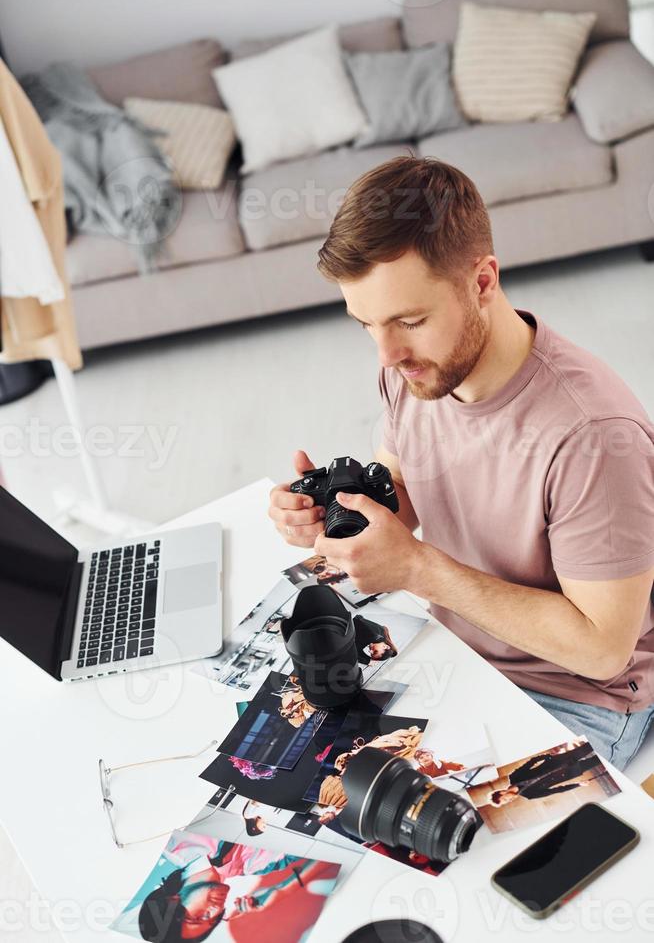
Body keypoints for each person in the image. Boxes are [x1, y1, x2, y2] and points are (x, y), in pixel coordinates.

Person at [268, 155, 654, 771]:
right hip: (458, 646)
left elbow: (603, 650)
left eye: (410, 321)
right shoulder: (419, 371)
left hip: (579, 695)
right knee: (302, 771)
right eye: (366, 324)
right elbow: (405, 497)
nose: (388, 352)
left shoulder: (593, 436)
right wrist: (332, 512)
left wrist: (418, 569)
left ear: (481, 281)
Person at [138, 837, 302, 942]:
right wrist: (283, 890)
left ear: (171, 900)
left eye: (197, 917)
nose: (216, 909)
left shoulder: (170, 842)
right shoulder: (257, 865)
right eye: (212, 920)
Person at [488, 743, 601, 806]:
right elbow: (556, 790)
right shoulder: (529, 795)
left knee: (589, 746)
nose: (508, 801)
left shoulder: (514, 777)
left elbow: (531, 762)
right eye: (505, 802)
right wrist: (578, 785)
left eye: (505, 800)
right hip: (569, 773)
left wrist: (548, 757)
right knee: (597, 761)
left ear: (502, 792)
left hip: (560, 760)